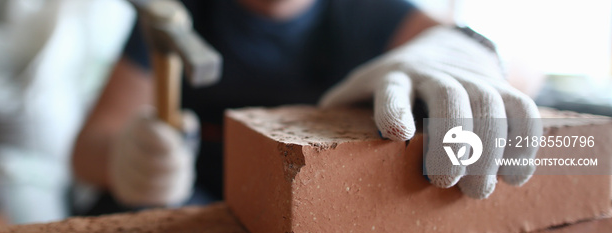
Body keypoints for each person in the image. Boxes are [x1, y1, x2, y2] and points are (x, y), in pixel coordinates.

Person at [72, 0, 541, 214]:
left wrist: (468, 52)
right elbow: (85, 149)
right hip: (197, 210)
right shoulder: (175, 14)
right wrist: (123, 160)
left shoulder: (375, 15)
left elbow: (527, 71)